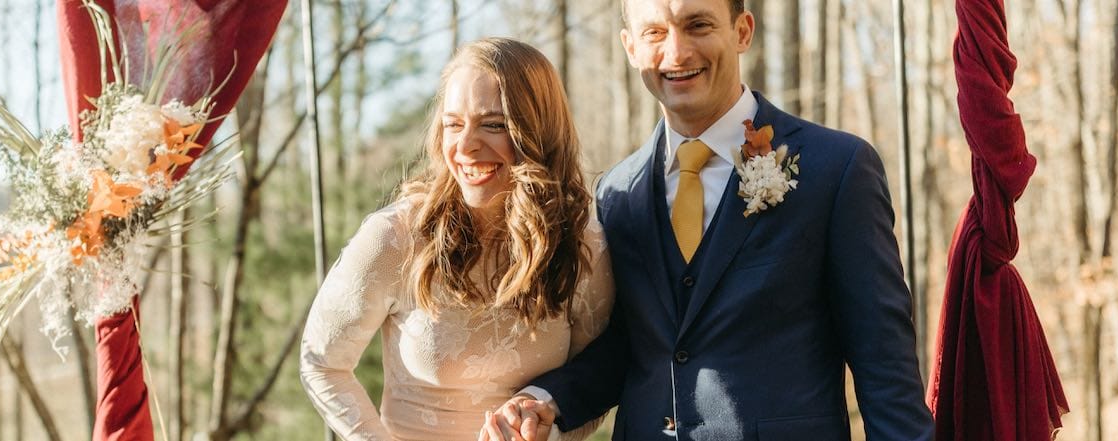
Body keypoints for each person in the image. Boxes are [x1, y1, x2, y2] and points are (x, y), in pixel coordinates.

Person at [482, 0, 935, 439]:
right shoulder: (616, 193)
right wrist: (548, 399)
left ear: (742, 31)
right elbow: (627, 345)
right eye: (654, 33)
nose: (677, 53)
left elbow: (884, 364)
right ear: (630, 47)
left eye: (697, 25)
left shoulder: (835, 168)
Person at [299, 37, 615, 440]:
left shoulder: (582, 243)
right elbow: (322, 364)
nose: (465, 146)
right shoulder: (395, 238)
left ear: (538, 130)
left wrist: (548, 433)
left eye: (493, 124)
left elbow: (595, 385)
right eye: (453, 124)